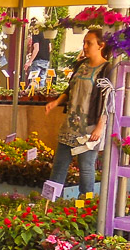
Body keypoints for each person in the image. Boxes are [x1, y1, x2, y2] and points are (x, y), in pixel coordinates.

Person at [45, 29, 113, 196]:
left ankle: (85, 206)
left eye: (89, 43)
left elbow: (109, 100)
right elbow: (69, 89)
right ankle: (48, 204)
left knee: (86, 168)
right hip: (70, 125)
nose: (85, 46)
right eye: (84, 42)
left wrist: (100, 126)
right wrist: (56, 102)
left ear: (101, 45)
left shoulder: (107, 69)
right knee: (59, 166)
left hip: (89, 129)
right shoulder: (80, 65)